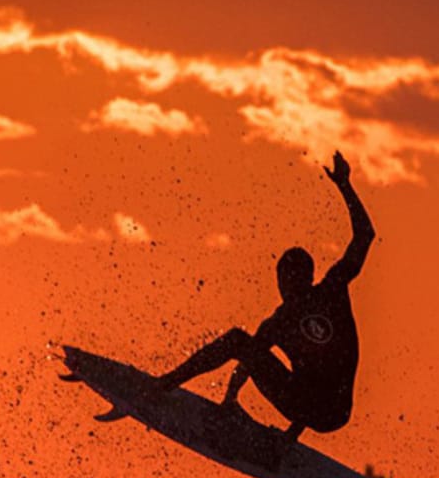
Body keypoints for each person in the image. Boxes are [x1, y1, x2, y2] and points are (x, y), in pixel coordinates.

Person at [158, 150, 374, 448]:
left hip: (321, 407)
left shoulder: (315, 300)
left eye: (288, 278)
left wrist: (345, 185)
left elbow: (365, 236)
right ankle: (287, 438)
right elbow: (259, 363)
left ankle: (164, 384)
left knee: (238, 340)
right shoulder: (321, 296)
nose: (286, 285)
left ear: (297, 278)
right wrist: (232, 399)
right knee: (299, 364)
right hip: (331, 413)